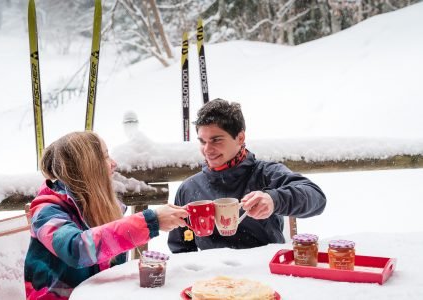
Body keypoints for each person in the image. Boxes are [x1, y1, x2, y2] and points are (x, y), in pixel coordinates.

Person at [24, 131, 188, 299]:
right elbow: (77, 249)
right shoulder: (46, 210)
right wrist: (151, 222)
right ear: (87, 166)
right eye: (106, 157)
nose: (114, 164)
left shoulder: (98, 205)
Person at [168, 99, 327, 253]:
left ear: (240, 138)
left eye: (216, 140)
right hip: (215, 276)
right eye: (202, 142)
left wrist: (274, 199)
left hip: (265, 270)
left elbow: (317, 198)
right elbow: (182, 248)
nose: (207, 149)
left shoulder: (266, 173)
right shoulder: (189, 188)